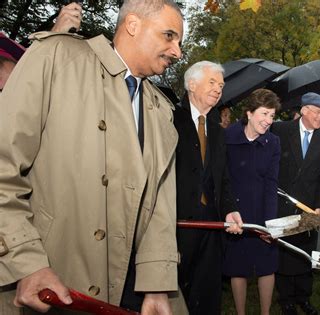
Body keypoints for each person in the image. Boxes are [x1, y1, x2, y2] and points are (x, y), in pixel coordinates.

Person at [0, 1, 184, 314]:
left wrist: (156, 283)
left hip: (126, 290)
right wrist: (26, 261)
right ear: (133, 25)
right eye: (169, 36)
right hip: (51, 280)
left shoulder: (162, 110)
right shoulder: (57, 57)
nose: (177, 51)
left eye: (179, 42)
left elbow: (159, 211)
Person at [172, 60, 243, 315]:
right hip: (176, 225)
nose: (218, 89)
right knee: (174, 292)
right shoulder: (169, 119)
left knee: (206, 293)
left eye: (221, 85)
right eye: (212, 82)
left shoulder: (216, 130)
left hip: (211, 226)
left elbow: (221, 177)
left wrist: (230, 209)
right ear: (192, 84)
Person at [272, 92, 320, 315]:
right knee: (284, 253)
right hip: (281, 205)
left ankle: (304, 298)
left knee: (305, 253)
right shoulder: (279, 130)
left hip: (309, 208)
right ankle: (286, 300)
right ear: (305, 111)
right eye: (319, 112)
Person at [223, 88, 281, 315]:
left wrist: (270, 224)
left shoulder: (273, 142)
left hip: (262, 210)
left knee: (267, 265)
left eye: (272, 116)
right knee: (238, 267)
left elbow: (271, 183)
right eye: (264, 114)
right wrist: (229, 209)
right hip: (235, 212)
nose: (268, 121)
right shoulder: (228, 138)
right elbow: (223, 178)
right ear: (249, 113)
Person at [0, 2, 82, 92]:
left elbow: (27, 61)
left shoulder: (4, 42)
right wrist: (54, 35)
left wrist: (57, 36)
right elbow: (20, 83)